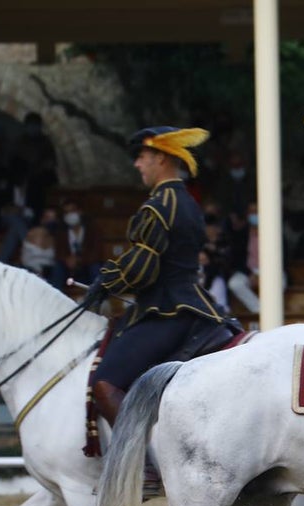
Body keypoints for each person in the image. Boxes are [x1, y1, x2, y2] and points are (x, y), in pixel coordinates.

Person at [88, 126, 231, 433]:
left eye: (142, 157)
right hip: (196, 303)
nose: (137, 165)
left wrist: (106, 280)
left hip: (166, 309)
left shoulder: (158, 206)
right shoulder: (189, 203)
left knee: (103, 383)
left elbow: (143, 268)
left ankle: (145, 467)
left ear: (162, 158)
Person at [20, 207, 59, 278]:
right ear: (42, 219)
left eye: (53, 218)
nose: (50, 220)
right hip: (31, 269)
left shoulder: (56, 236)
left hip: (49, 271)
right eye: (47, 217)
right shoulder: (35, 232)